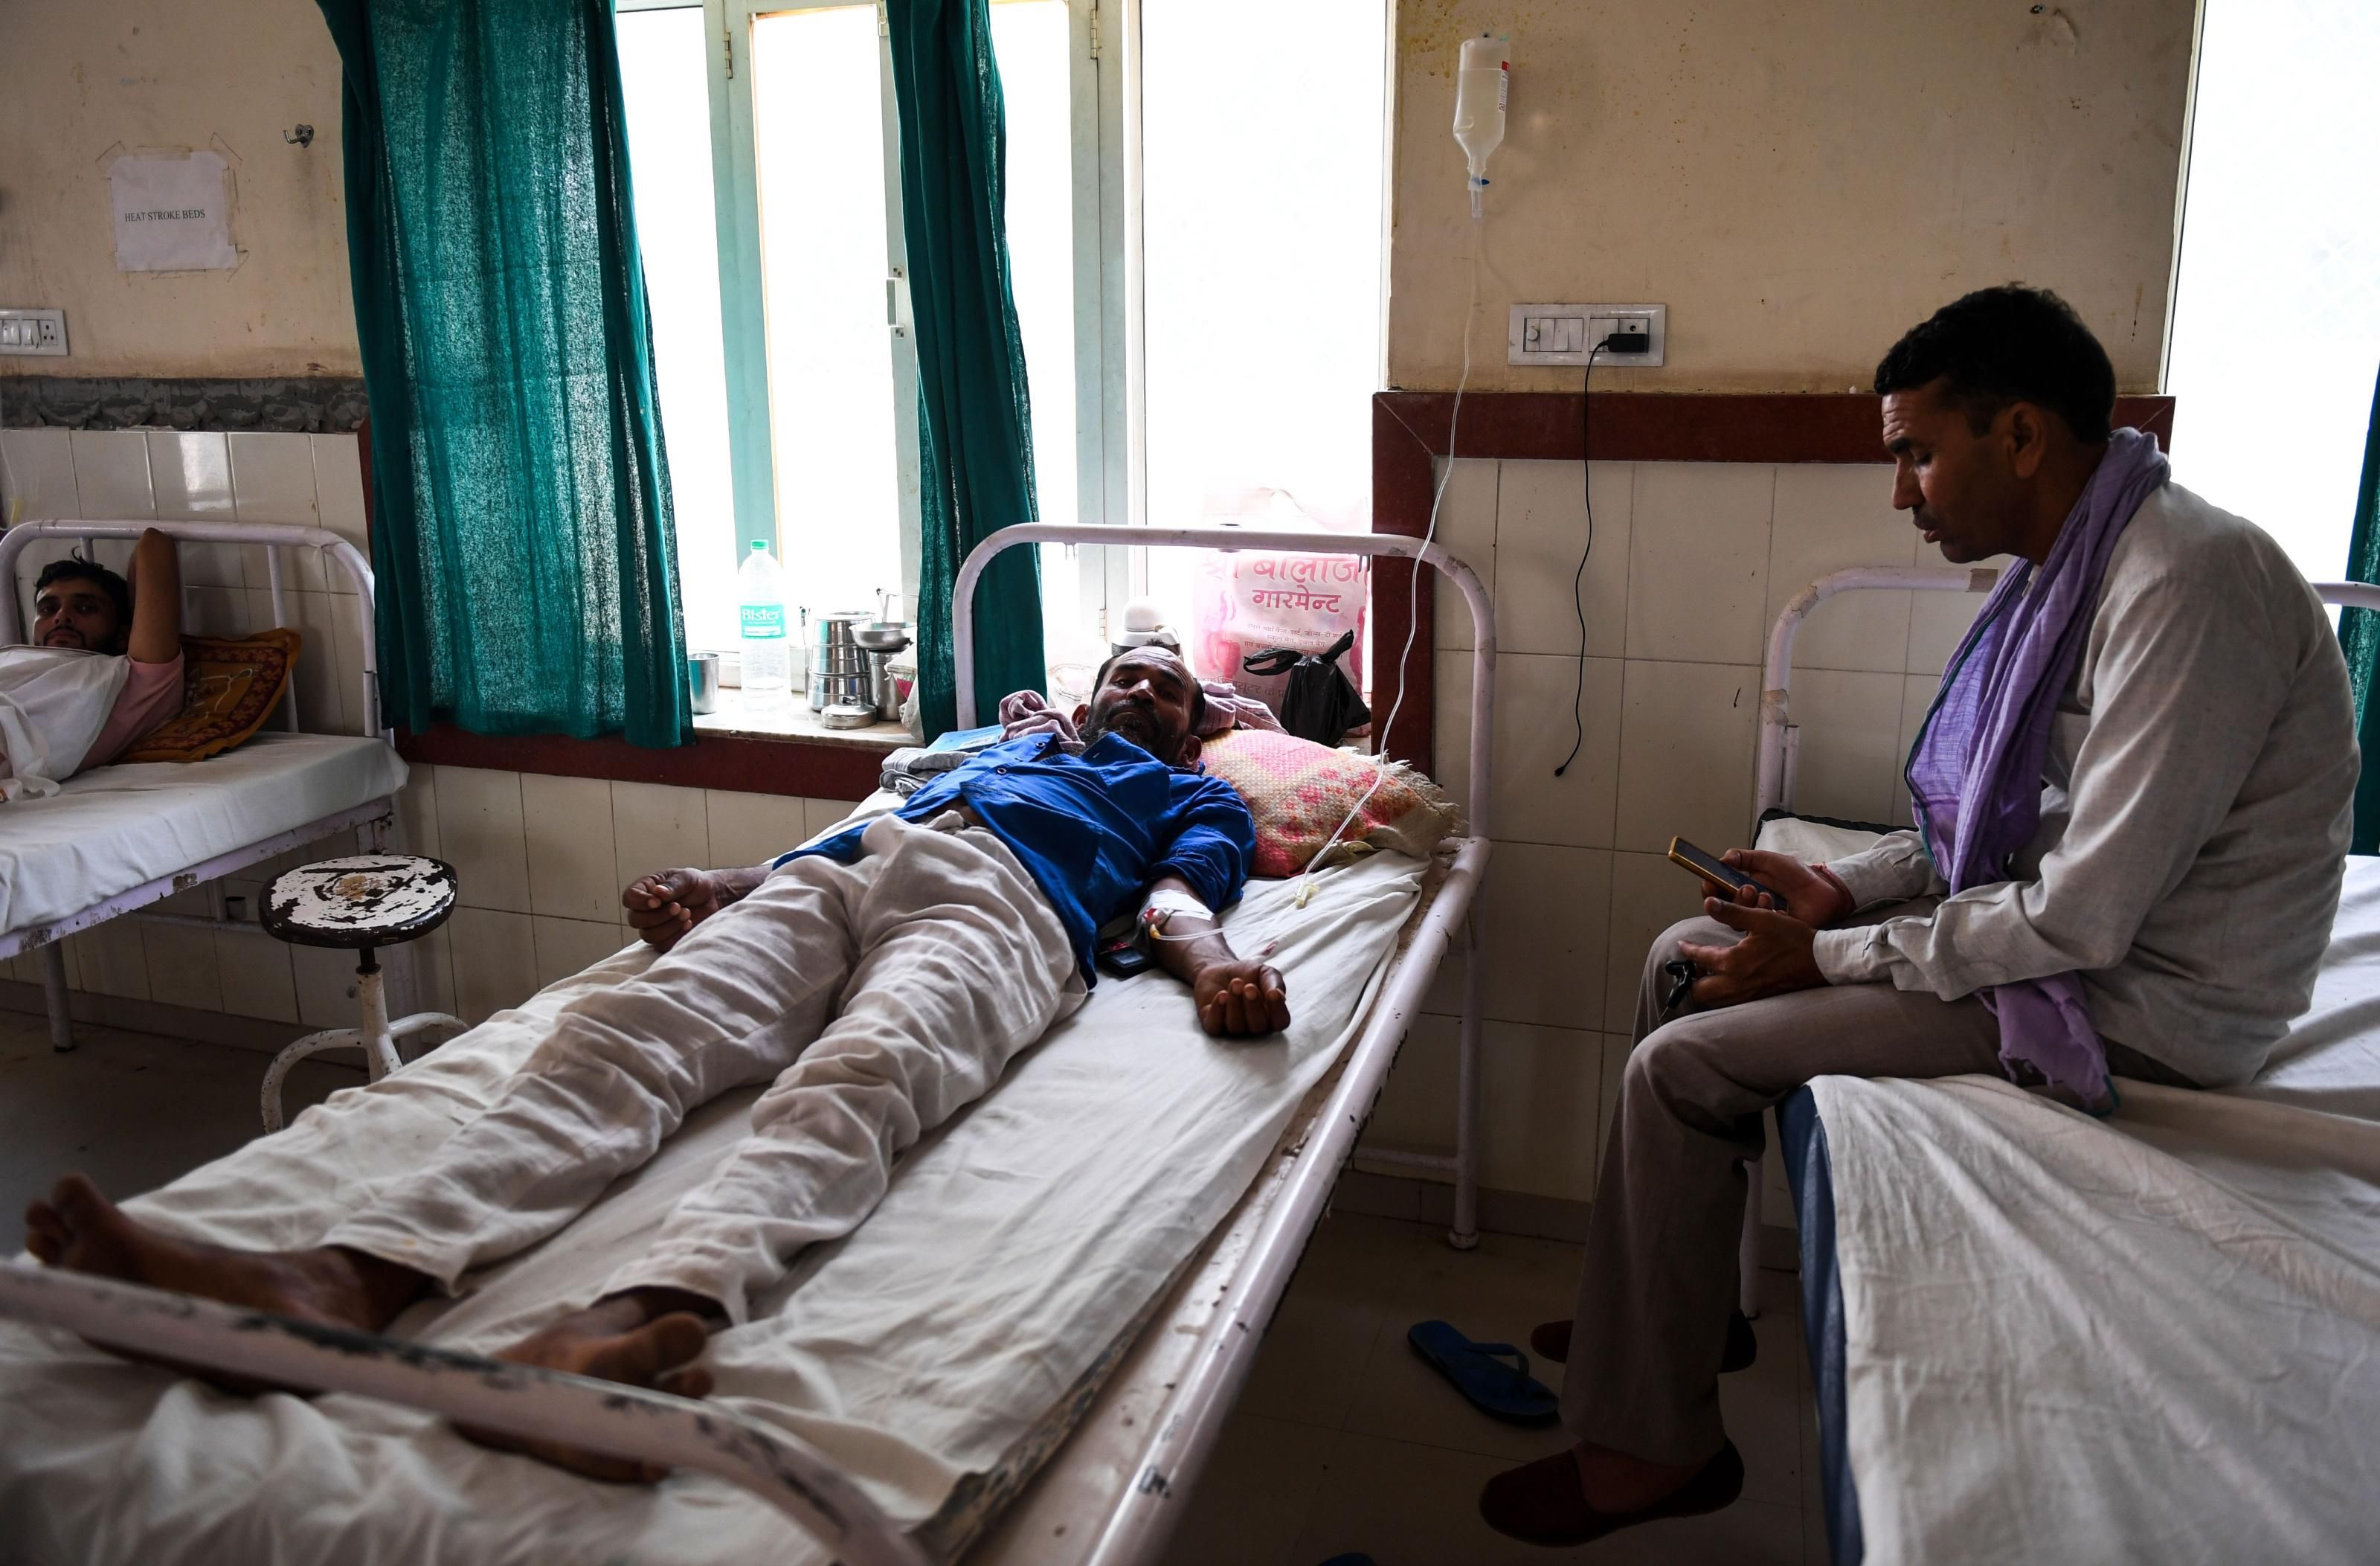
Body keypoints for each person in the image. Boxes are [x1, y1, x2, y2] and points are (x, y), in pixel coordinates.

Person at [1479, 285, 2359, 1545]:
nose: (1902, 492)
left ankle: (1650, 1451)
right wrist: (1846, 888)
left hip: (2142, 1006)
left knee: (1682, 1066)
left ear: (2021, 436)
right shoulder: (2078, 568)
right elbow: (2011, 820)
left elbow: (2083, 917)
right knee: (1682, 955)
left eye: (1917, 452)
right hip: (2077, 948)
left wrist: (1831, 955)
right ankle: (1679, 1321)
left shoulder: (2184, 584)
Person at [22, 645, 1290, 1479]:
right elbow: (859, 826)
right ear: (1083, 694)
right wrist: (723, 884)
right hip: (848, 870)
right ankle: (344, 1274)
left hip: (1008, 909)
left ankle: (633, 1318)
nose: (1138, 691)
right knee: (630, 1034)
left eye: (1166, 688)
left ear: (1194, 729)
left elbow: (1177, 900)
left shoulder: (1191, 794)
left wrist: (1214, 968)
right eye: (1122, 676)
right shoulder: (993, 748)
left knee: (865, 1077)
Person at [0, 530, 185, 796]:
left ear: (124, 635)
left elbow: (154, 545)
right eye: (48, 609)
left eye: (85, 608)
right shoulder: (16, 664)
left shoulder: (136, 680)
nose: (62, 617)